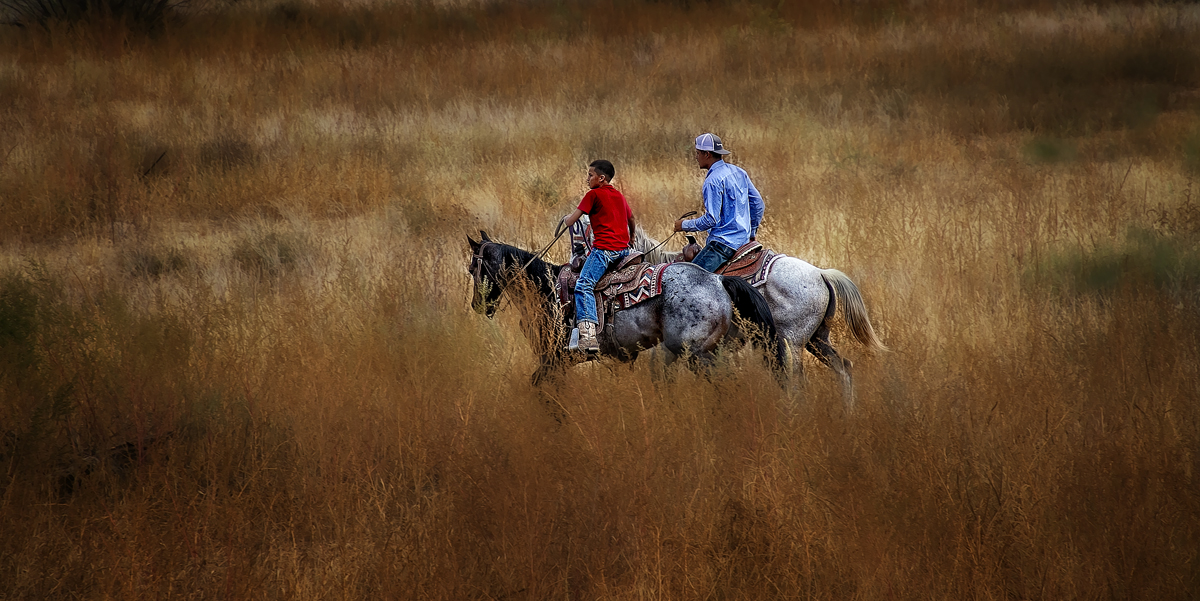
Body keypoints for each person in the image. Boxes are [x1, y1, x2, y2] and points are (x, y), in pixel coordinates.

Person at [561, 159, 636, 352]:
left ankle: (587, 337)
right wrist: (632, 236)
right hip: (624, 251)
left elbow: (572, 221)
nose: (587, 179)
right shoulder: (619, 195)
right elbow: (631, 218)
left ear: (601, 178)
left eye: (590, 175)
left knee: (583, 284)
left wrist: (566, 219)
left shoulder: (592, 195)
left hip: (604, 252)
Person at [673, 133, 764, 272]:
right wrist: (751, 233)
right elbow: (757, 203)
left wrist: (683, 225)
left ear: (707, 154)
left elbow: (711, 219)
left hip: (723, 245)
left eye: (698, 153)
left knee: (690, 278)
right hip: (744, 242)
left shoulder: (712, 181)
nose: (696, 157)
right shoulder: (739, 172)